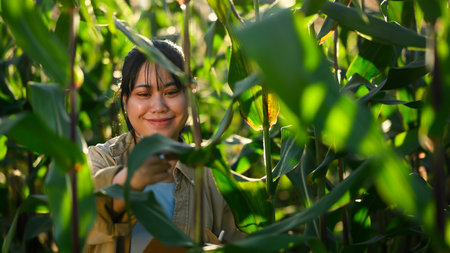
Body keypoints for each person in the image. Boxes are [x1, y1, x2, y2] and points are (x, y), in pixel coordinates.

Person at [84, 40, 245, 253]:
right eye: (143, 94)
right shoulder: (101, 160)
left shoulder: (213, 177)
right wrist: (131, 181)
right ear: (125, 101)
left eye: (171, 92)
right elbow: (87, 213)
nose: (158, 107)